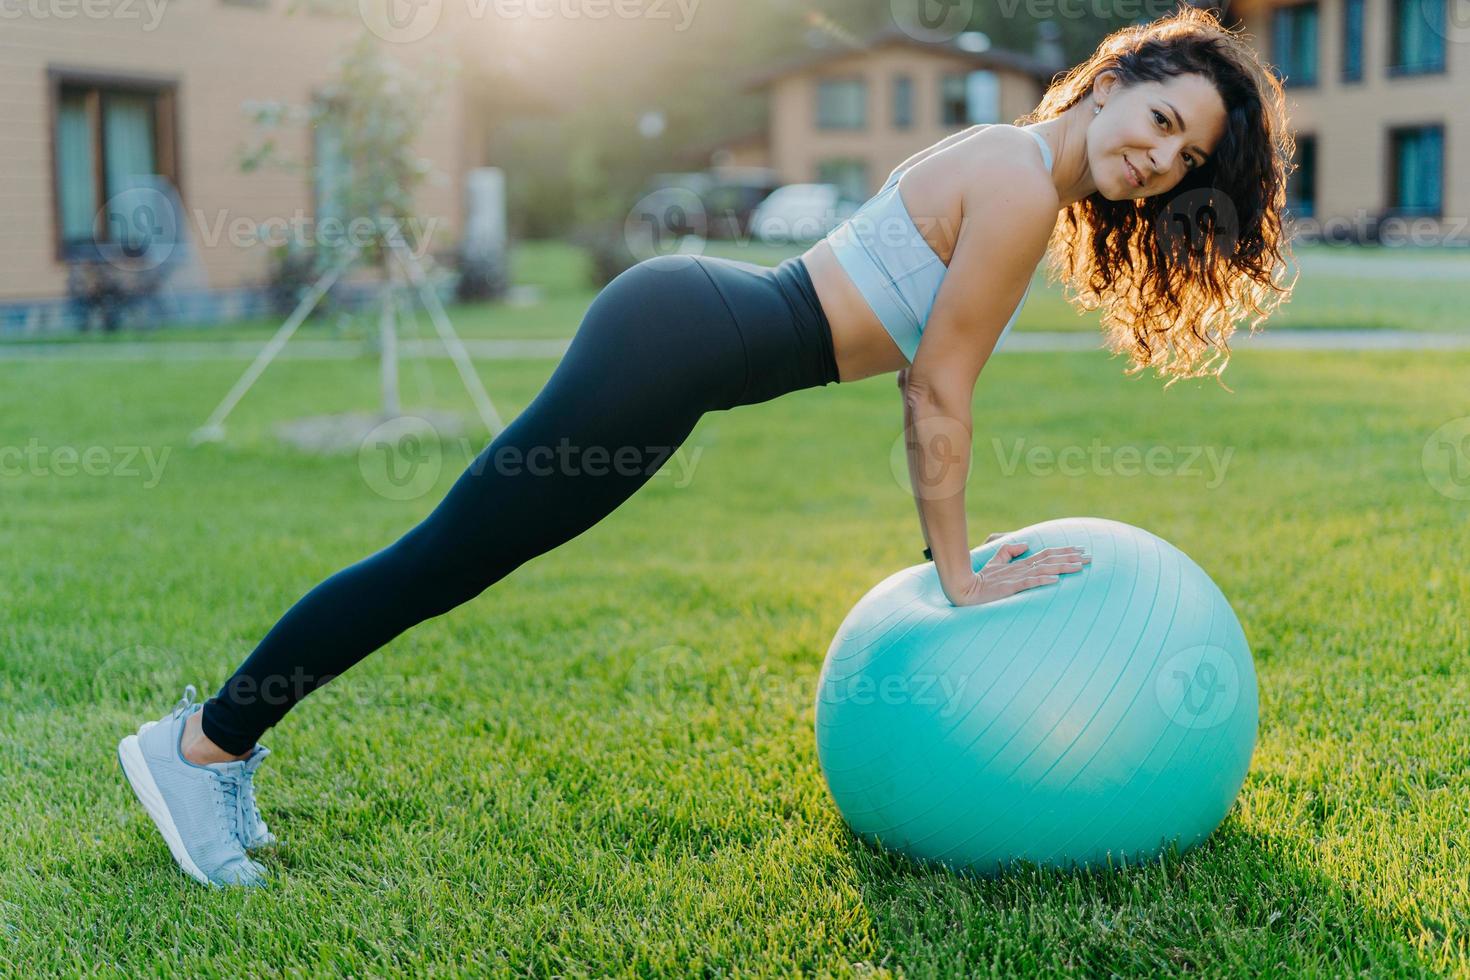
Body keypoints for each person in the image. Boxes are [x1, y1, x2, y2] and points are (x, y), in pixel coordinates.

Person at [117, 7, 1294, 886]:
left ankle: (215, 742)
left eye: (1186, 161)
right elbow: (938, 388)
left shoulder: (1014, 159)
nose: (1160, 162)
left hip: (678, 339)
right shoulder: (1021, 182)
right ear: (1118, 80)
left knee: (456, 555)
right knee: (442, 557)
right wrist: (960, 573)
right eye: (1163, 122)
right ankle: (202, 744)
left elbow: (924, 369)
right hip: (677, 339)